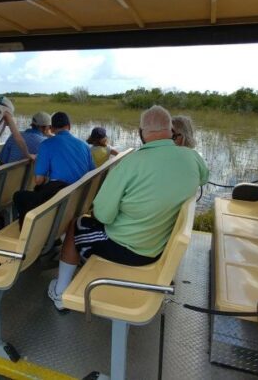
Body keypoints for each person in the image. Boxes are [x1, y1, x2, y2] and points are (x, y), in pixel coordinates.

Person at [47, 106, 208, 311]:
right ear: (171, 131)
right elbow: (204, 177)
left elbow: (103, 216)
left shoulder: (131, 162)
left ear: (141, 132)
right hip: (158, 246)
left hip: (131, 250)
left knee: (76, 225)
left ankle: (60, 294)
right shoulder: (193, 157)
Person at [13, 112, 95, 227]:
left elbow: (39, 180)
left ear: (51, 128)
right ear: (69, 126)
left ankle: (29, 230)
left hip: (59, 200)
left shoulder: (46, 145)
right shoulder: (84, 146)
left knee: (19, 196)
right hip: (78, 198)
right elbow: (92, 172)